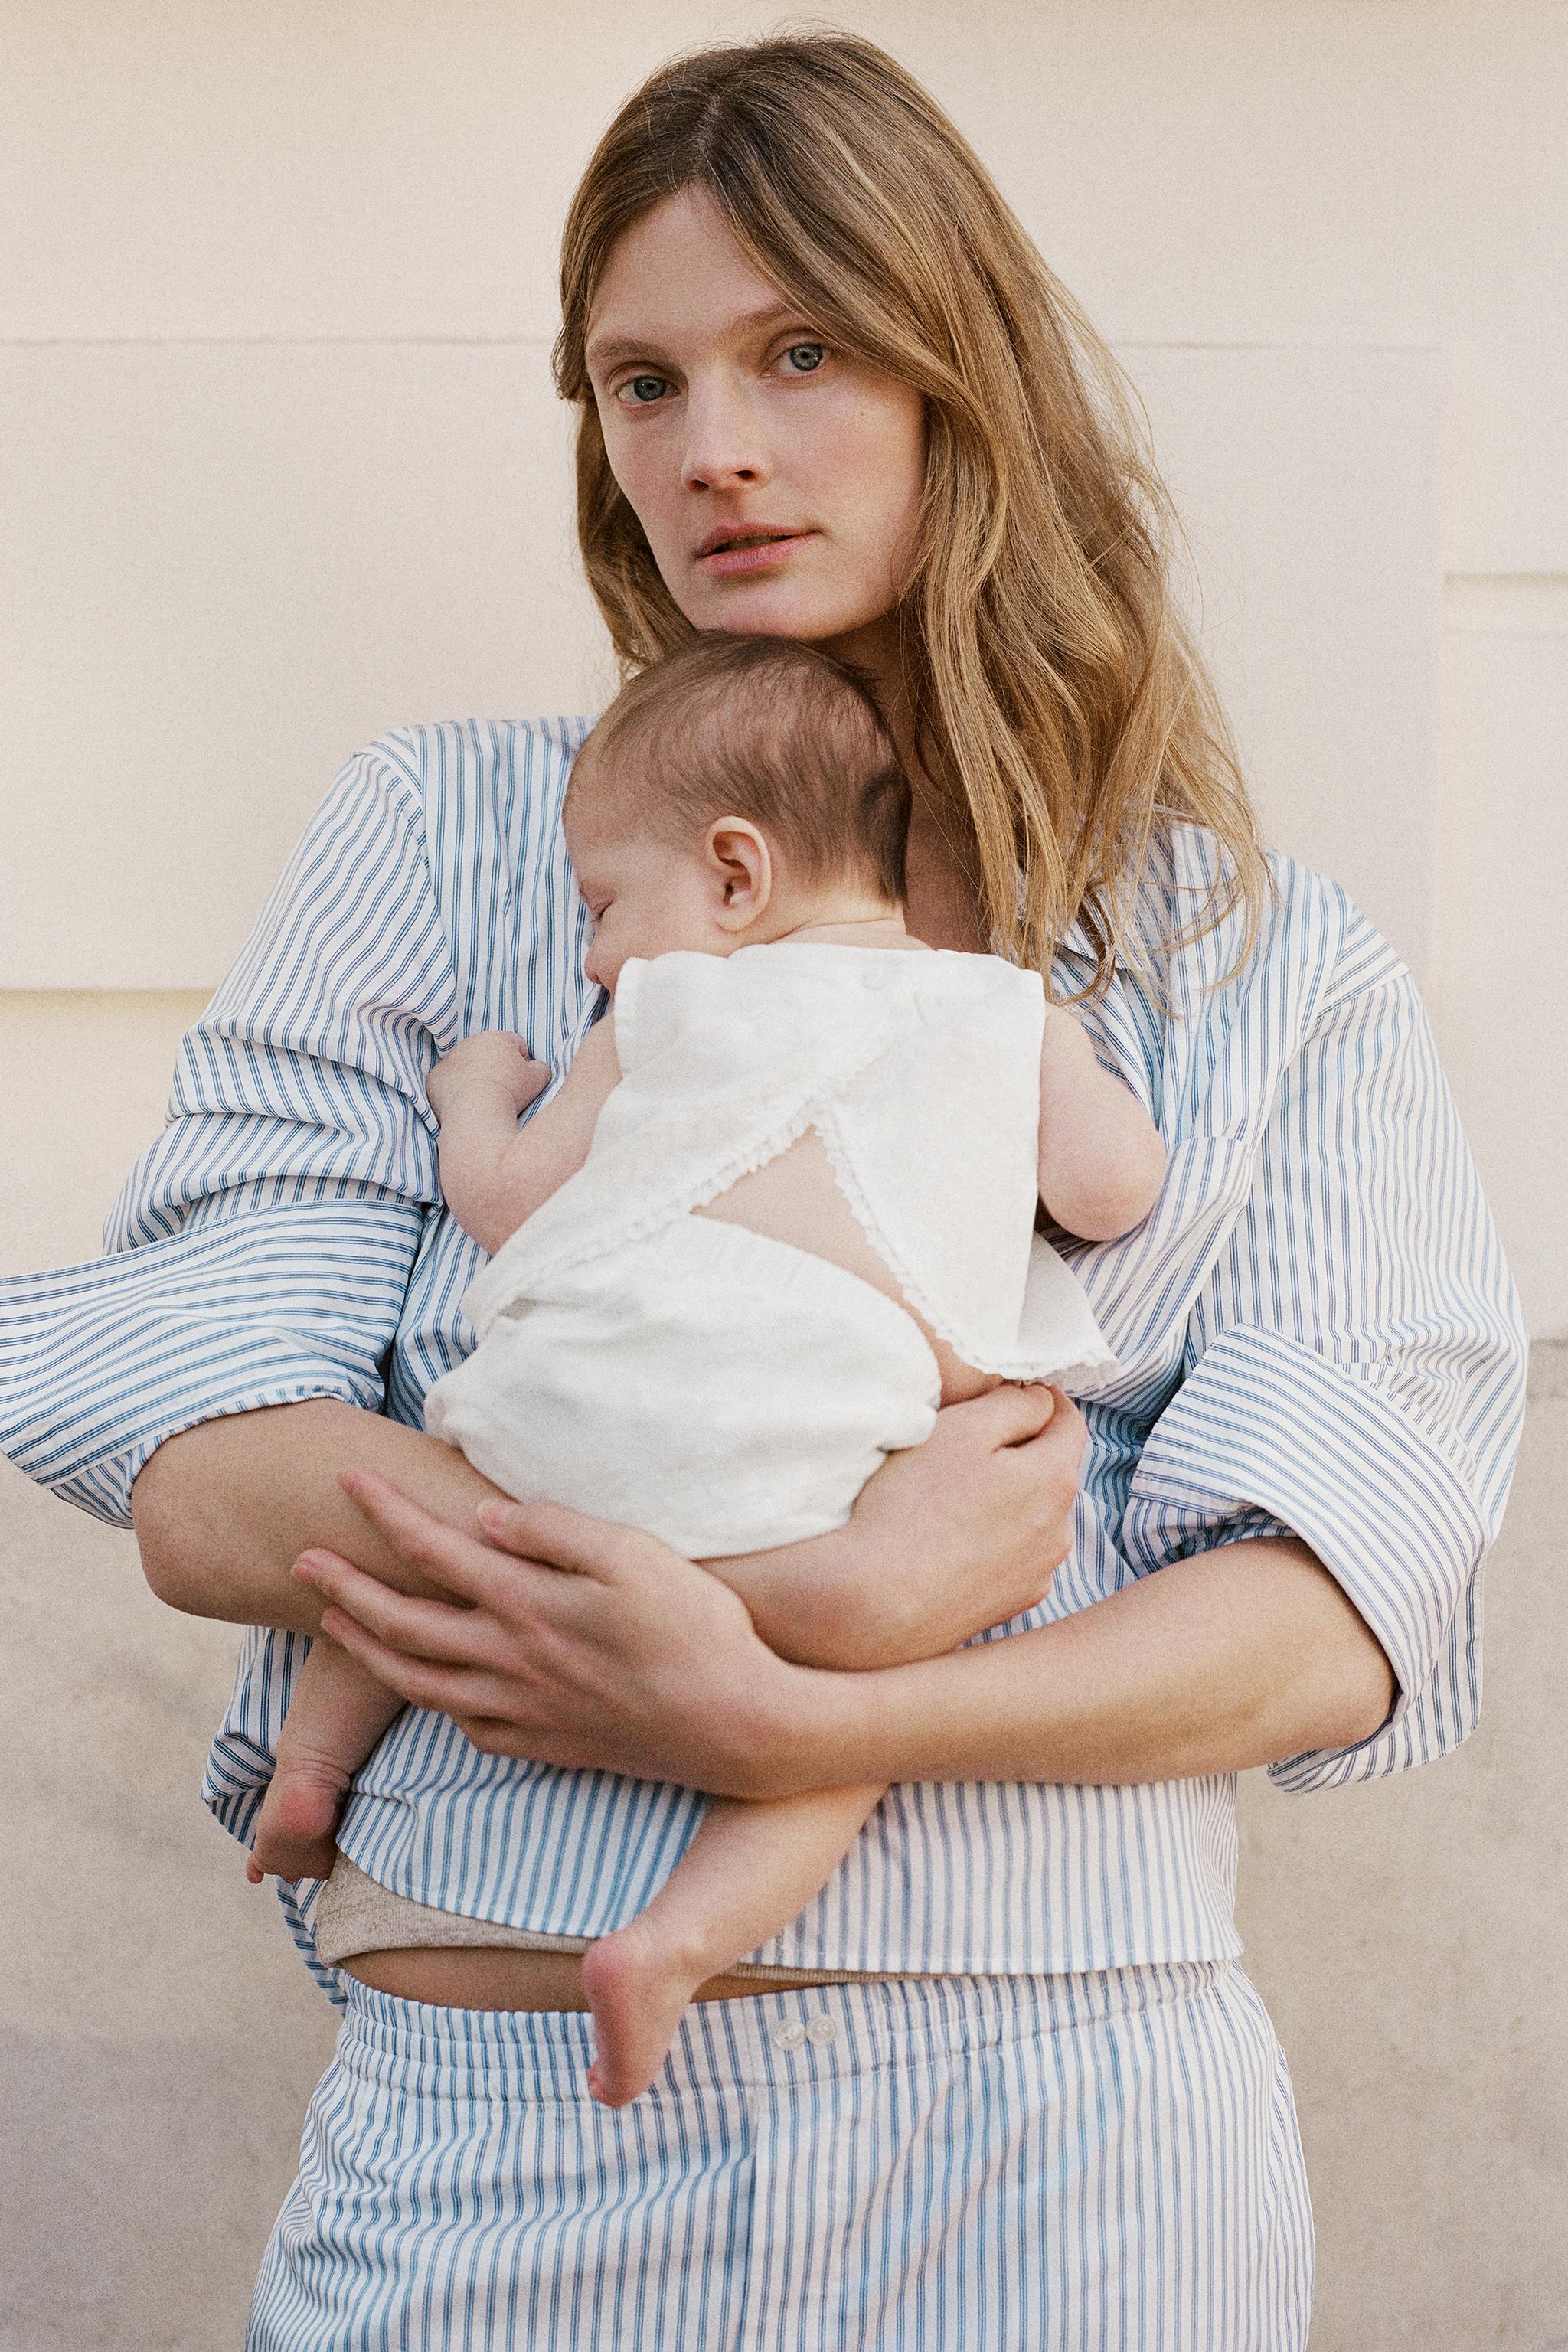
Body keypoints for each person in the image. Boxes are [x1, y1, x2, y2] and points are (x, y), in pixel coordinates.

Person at [0, 30, 1526, 2350]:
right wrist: (822, 1585)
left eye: (799, 350)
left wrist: (806, 1724)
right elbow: (211, 1471)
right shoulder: (454, 839)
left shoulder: (1246, 960)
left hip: (1064, 2153)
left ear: (961, 388)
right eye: (639, 382)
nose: (710, 445)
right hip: (503, 2151)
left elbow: (1331, 1616)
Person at [247, 631, 1165, 2110]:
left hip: (583, 1393)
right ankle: (675, 1945)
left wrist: (476, 1091)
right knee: (864, 1697)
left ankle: (306, 1772)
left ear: (736, 876)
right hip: (818, 1438)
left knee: (453, 1535)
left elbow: (508, 1203)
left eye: (605, 904)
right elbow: (1117, 1190)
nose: (596, 953)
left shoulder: (661, 1010)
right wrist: (1039, 1096)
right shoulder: (999, 1005)